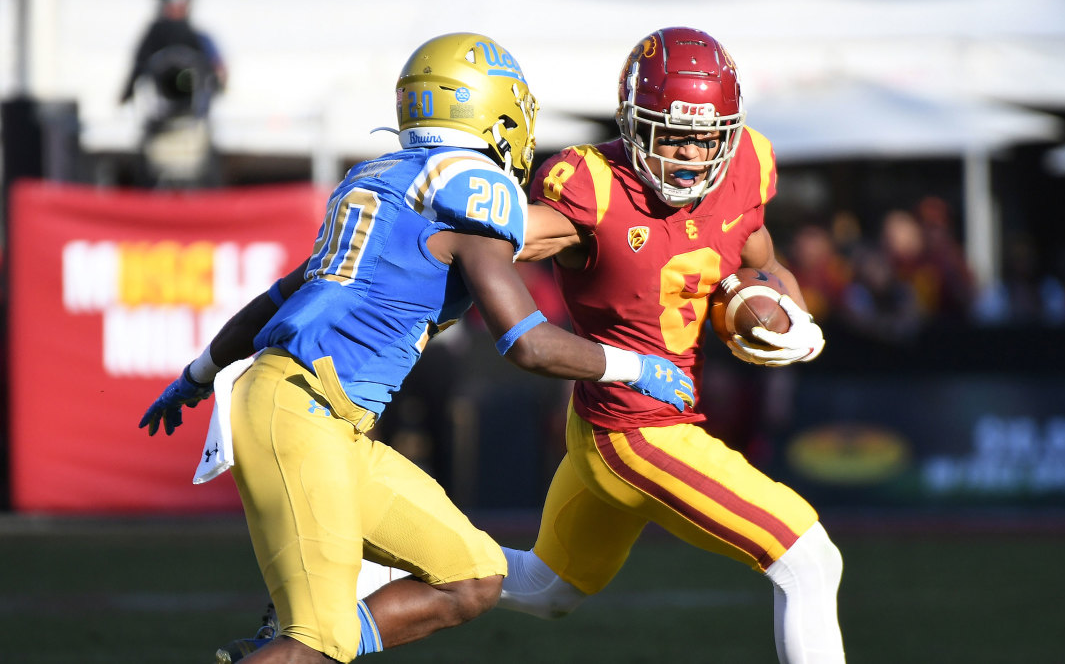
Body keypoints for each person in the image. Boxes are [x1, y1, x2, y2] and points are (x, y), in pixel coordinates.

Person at [138, 32, 695, 664]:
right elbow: (527, 343)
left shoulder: (377, 179)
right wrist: (634, 366)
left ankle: (304, 636)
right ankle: (304, 640)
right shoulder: (471, 195)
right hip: (301, 412)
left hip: (324, 419)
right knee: (313, 644)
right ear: (497, 112)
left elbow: (277, 297)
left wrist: (198, 371)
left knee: (473, 576)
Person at [357, 25, 844, 664]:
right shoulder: (593, 185)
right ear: (633, 125)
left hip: (608, 427)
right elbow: (487, 244)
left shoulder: (748, 164)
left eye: (706, 138)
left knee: (543, 588)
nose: (691, 156)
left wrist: (788, 312)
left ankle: (362, 587)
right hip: (635, 429)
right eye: (671, 135)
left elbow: (760, 260)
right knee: (809, 559)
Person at [119, 0, 227, 187]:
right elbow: (137, 71)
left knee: (203, 175)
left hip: (193, 126)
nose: (174, 9)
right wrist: (126, 95)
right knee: (150, 176)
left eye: (179, 3)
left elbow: (218, 78)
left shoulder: (199, 39)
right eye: (169, 3)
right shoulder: (152, 39)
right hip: (158, 127)